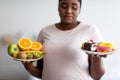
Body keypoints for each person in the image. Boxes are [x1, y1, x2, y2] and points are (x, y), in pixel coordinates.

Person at [22, 0, 106, 80]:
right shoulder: (45, 31)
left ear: (79, 9)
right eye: (64, 6)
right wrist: (29, 67)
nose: (69, 11)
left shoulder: (90, 30)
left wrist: (97, 59)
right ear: (58, 8)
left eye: (74, 7)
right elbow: (43, 72)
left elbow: (97, 77)